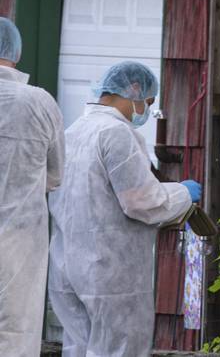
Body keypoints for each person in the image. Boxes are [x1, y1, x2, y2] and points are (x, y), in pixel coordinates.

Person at [48, 61, 201, 357]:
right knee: (119, 350)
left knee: (78, 349)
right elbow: (141, 201)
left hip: (67, 266)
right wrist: (183, 193)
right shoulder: (116, 133)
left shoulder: (73, 131)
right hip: (109, 273)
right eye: (148, 101)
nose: (146, 109)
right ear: (132, 90)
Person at [0, 18, 64, 356]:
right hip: (21, 235)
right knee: (16, 327)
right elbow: (55, 175)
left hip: (23, 233)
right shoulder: (38, 102)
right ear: (16, 51)